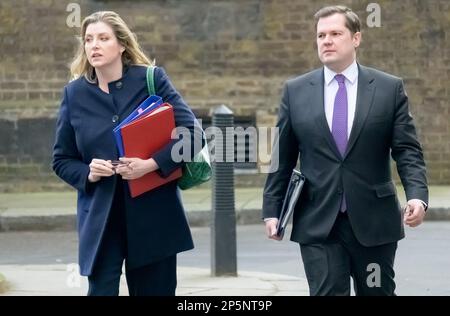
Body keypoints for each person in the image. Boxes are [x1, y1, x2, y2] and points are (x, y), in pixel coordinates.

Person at [262, 5, 428, 296]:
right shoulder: (296, 91)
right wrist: (272, 210)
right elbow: (283, 156)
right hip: (317, 220)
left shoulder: (389, 89)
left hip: (374, 221)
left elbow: (407, 150)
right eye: (321, 35)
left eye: (335, 33)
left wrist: (417, 195)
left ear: (356, 39)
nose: (326, 40)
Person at [52, 11, 203, 296]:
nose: (94, 45)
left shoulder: (151, 79)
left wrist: (150, 164)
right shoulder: (74, 94)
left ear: (121, 44)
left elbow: (193, 136)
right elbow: (61, 159)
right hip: (101, 219)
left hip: (153, 213)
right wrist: (88, 172)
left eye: (103, 38)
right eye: (88, 39)